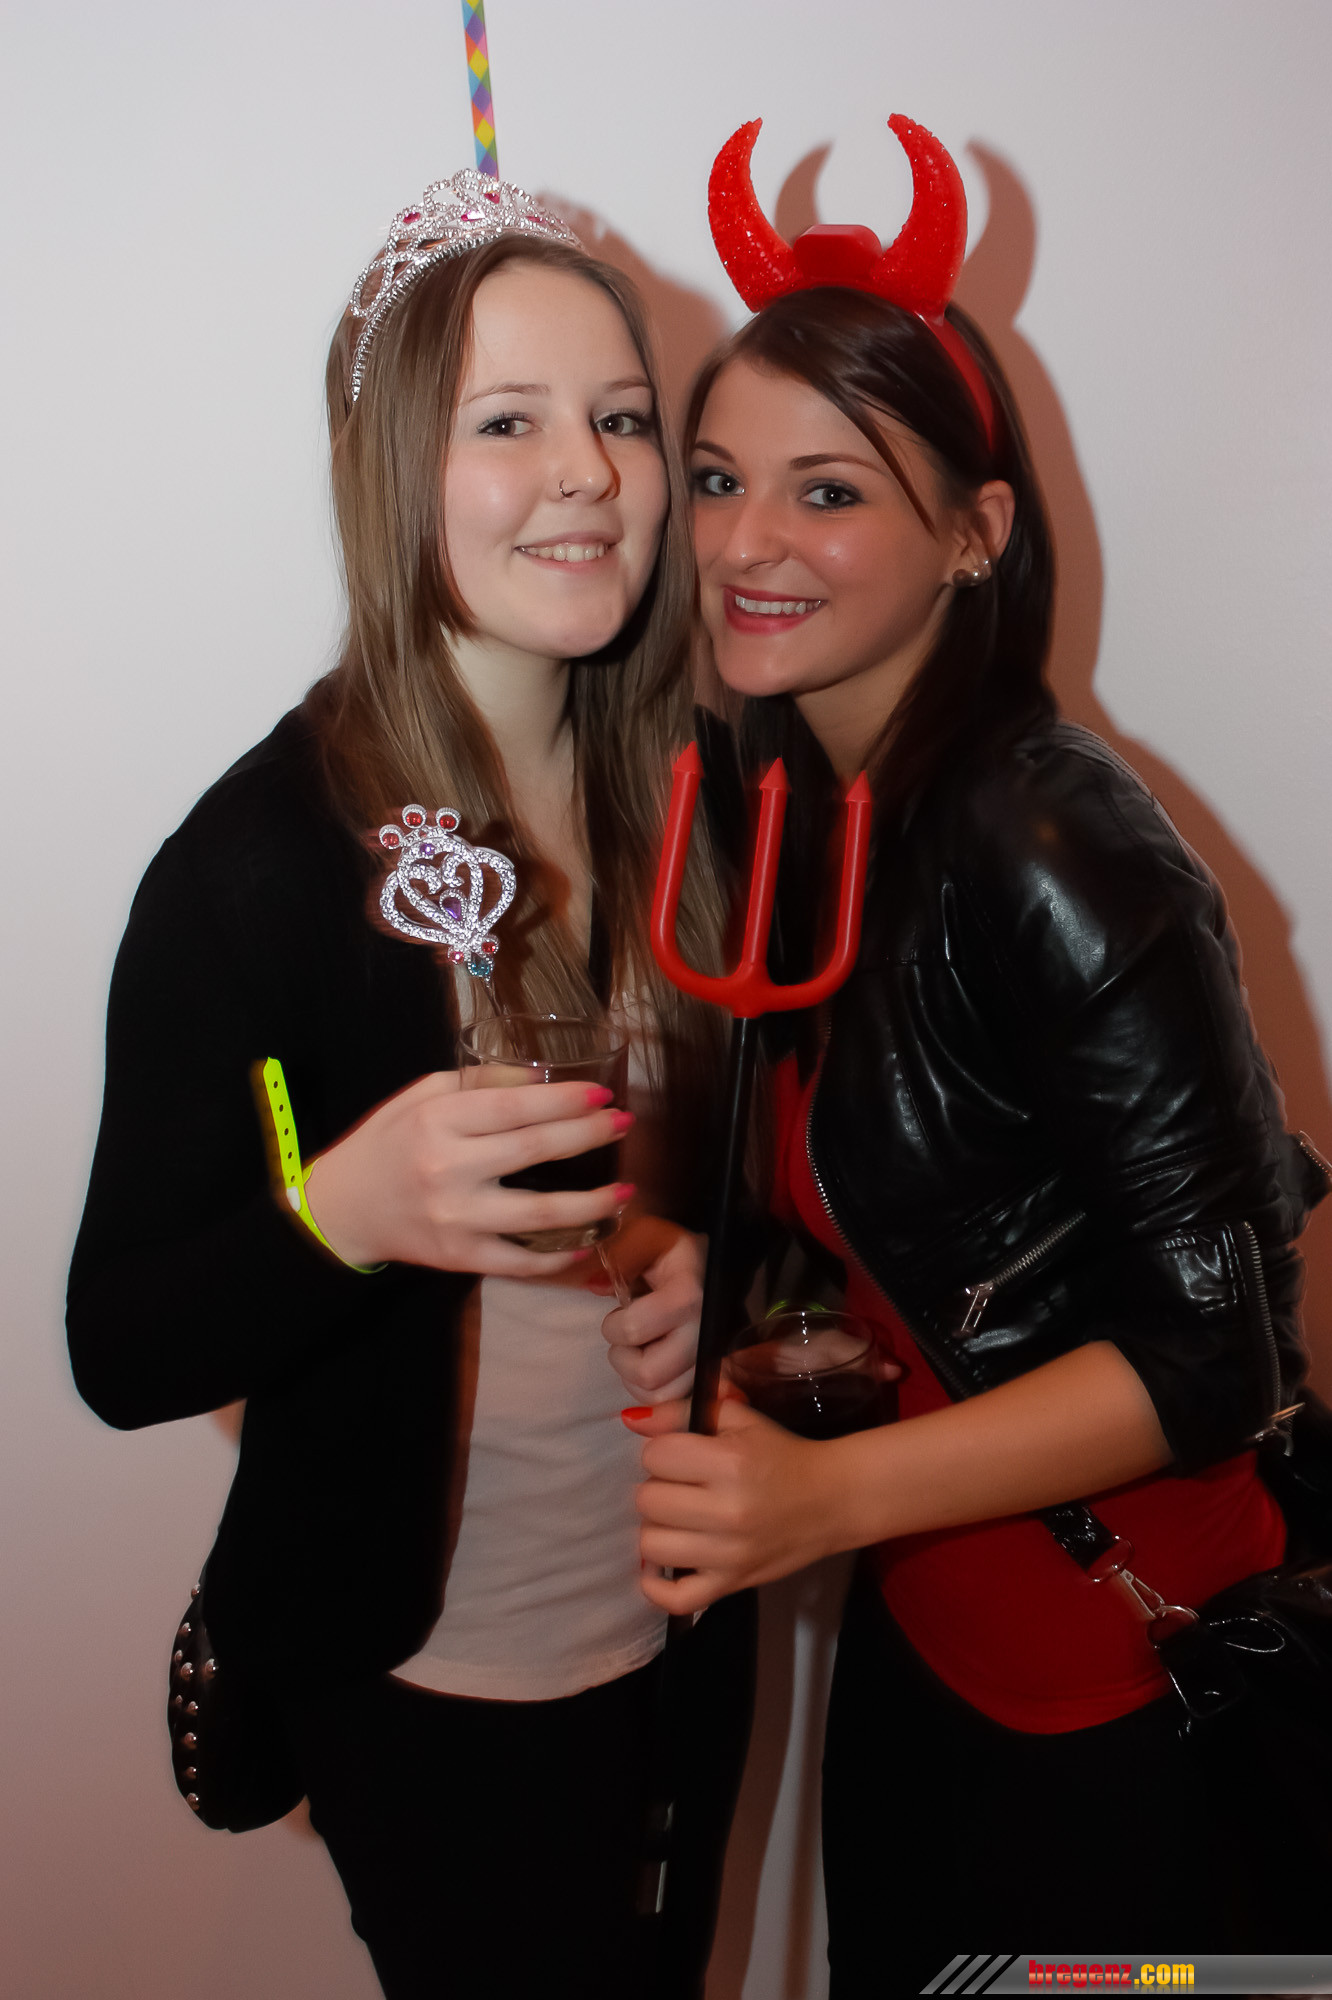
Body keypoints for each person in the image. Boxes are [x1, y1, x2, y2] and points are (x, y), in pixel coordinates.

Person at [627, 117, 1332, 1985]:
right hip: (930, 1638)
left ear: (975, 533)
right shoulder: (796, 801)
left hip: (1131, 1683)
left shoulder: (1060, 847)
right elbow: (930, 1223)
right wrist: (738, 1285)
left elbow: (1216, 1355)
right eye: (719, 479)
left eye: (829, 492)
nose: (745, 544)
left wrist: (816, 1499)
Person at [67, 171, 753, 2000]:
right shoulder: (254, 868)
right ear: (391, 471)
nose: (589, 473)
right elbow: (119, 1348)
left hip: (689, 1611)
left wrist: (696, 1262)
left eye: (621, 418)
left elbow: (738, 1174)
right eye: (507, 422)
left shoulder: (699, 797)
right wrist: (346, 1213)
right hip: (432, 1674)